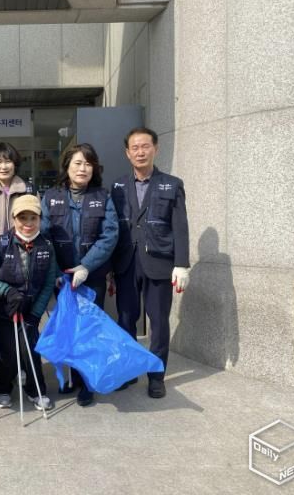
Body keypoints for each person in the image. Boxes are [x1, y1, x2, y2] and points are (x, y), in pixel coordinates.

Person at [111, 127, 190, 399]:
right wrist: (109, 268)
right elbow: (113, 229)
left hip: (159, 263)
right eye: (135, 147)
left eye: (145, 146)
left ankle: (156, 376)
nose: (140, 152)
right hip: (126, 263)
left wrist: (181, 264)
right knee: (125, 320)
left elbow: (180, 227)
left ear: (156, 148)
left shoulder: (172, 184)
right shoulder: (118, 186)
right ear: (127, 153)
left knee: (158, 322)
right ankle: (129, 370)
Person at [41, 143, 119, 406]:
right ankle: (71, 376)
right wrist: (55, 271)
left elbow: (110, 235)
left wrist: (86, 266)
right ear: (67, 167)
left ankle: (87, 383)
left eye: (88, 163)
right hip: (62, 277)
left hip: (92, 275)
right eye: (77, 163)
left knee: (89, 329)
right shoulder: (51, 196)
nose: (83, 168)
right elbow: (44, 236)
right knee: (68, 328)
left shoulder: (103, 196)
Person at [0, 195, 57, 411]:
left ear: (40, 219)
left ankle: (36, 389)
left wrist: (35, 314)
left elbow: (48, 283)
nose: (28, 223)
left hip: (30, 310)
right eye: (22, 218)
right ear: (14, 219)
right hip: (3, 309)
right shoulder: (1, 244)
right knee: (11, 351)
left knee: (31, 348)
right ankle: (1, 387)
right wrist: (7, 291)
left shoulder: (47, 246)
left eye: (33, 218)